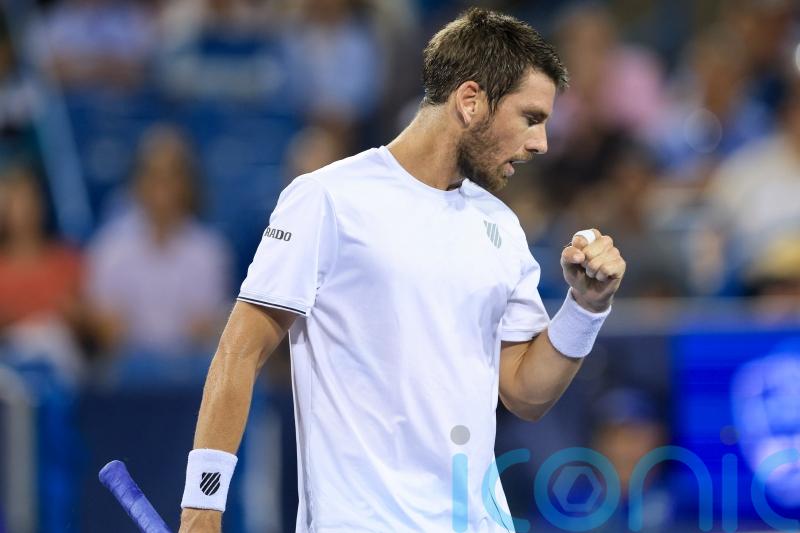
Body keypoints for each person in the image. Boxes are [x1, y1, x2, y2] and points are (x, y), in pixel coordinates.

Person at [179, 8, 626, 533]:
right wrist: (201, 507)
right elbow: (239, 352)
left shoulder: (501, 228)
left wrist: (586, 307)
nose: (541, 143)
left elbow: (526, 394)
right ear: (470, 100)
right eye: (531, 117)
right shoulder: (326, 199)